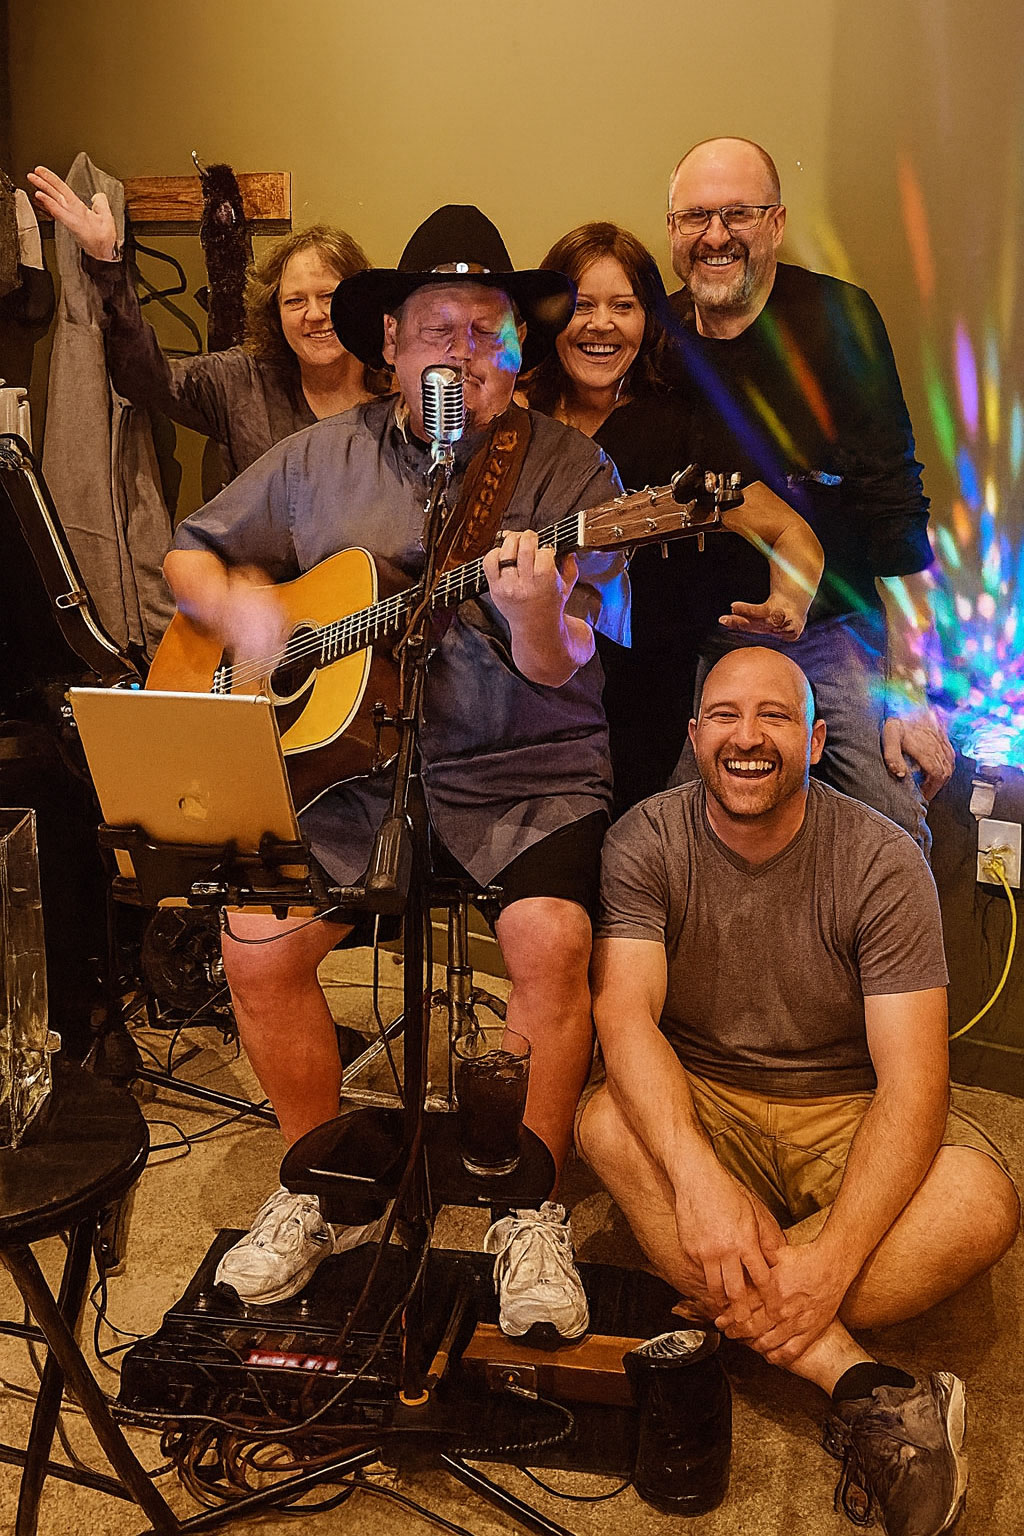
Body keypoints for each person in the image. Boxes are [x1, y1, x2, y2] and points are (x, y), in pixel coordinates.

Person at [161, 203, 634, 1339]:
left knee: (549, 942)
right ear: (392, 348)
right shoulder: (318, 459)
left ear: (517, 351)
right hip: (358, 776)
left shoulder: (577, 469)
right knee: (255, 944)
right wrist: (245, 611)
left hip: (527, 765)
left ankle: (527, 1204)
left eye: (486, 330)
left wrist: (531, 616)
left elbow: (571, 650)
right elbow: (189, 550)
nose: (461, 352)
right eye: (437, 329)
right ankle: (318, 1181)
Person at [580, 645, 1019, 1536]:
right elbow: (625, 1020)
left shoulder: (882, 861)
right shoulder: (644, 840)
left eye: (775, 717)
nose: (750, 738)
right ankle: (854, 1378)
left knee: (981, 1201)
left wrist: (831, 1259)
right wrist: (700, 1184)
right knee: (605, 1126)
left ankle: (730, 1307)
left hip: (842, 1110)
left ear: (817, 740)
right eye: (728, 717)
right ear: (696, 736)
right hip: (707, 1096)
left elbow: (913, 1083)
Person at [663, 137, 955, 852]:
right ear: (672, 231)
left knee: (891, 810)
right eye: (695, 216)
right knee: (660, 833)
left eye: (739, 213)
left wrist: (914, 689)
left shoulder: (837, 322)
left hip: (832, 629)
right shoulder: (657, 340)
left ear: (777, 222)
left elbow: (896, 504)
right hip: (700, 635)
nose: (716, 236)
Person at [522, 221, 825, 809]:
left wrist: (788, 602)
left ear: (649, 320)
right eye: (581, 306)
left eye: (623, 307)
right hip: (519, 690)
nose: (600, 325)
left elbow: (787, 530)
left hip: (639, 693)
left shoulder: (681, 428)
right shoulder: (514, 415)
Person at [29, 165, 386, 486]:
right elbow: (144, 379)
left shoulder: (401, 392)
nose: (314, 314)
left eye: (329, 296)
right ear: (274, 313)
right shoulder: (240, 382)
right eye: (294, 301)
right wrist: (106, 260)